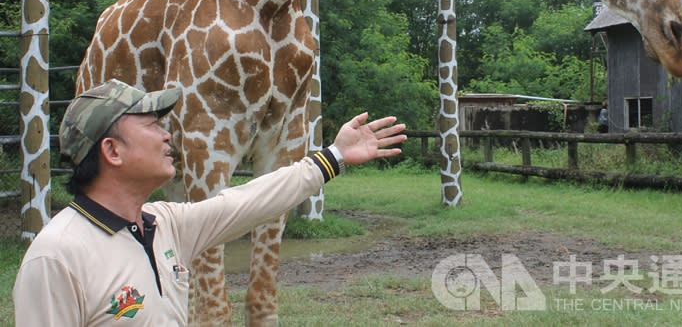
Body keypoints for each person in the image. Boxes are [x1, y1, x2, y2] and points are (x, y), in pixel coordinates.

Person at [13, 79, 406, 326]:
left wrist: (333, 157)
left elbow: (249, 202)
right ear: (112, 151)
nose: (168, 136)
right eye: (152, 125)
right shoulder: (58, 257)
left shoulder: (164, 225)